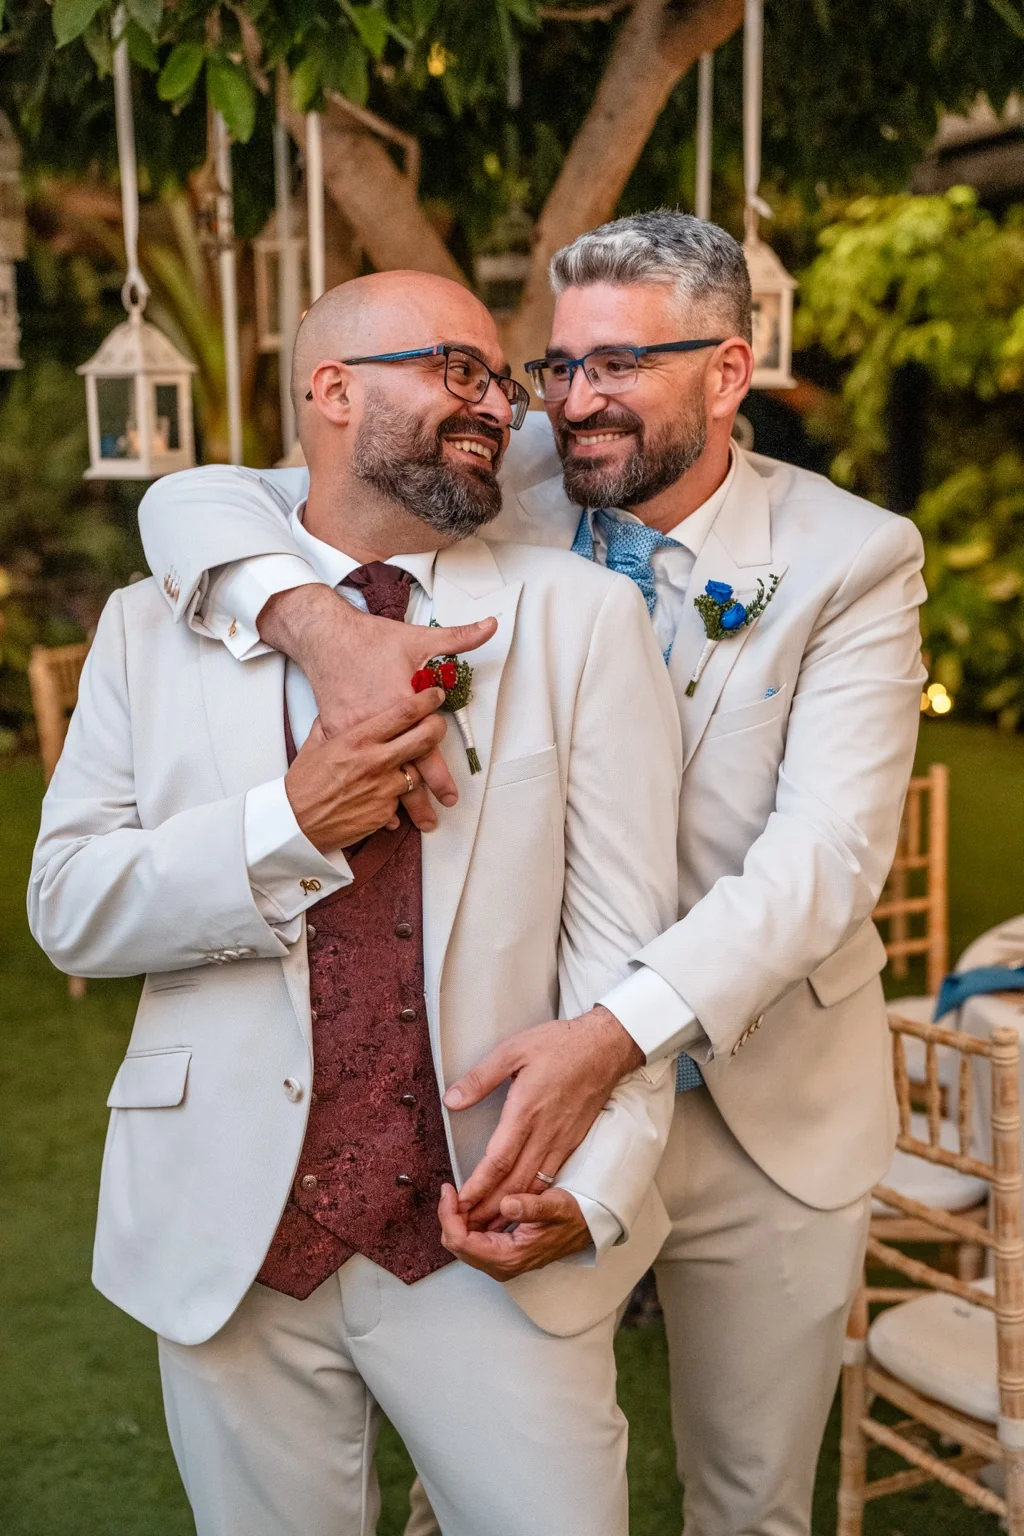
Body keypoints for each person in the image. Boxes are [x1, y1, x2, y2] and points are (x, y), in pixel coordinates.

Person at [137, 210, 928, 1536]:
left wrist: (613, 1035)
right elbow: (193, 501)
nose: (573, 401)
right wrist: (323, 629)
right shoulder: (496, 486)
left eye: (618, 365)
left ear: (728, 373)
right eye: (558, 365)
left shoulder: (854, 555)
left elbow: (827, 858)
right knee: (480, 1467)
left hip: (761, 1100)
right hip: (508, 1089)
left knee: (751, 1503)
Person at [28, 271, 684, 1536]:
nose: (493, 405)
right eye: (455, 369)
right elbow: (67, 908)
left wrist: (595, 1186)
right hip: (229, 1227)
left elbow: (625, 952)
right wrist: (289, 823)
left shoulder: (582, 622)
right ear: (331, 391)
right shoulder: (146, 628)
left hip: (485, 1215)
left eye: (500, 383)